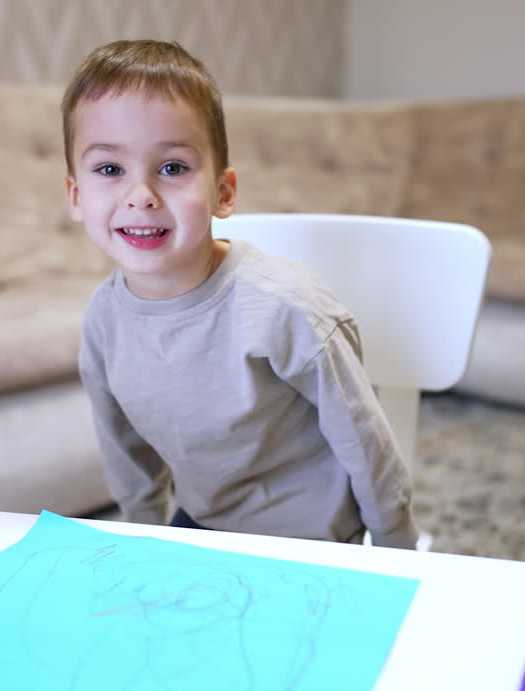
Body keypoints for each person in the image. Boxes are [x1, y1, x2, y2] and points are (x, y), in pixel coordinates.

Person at [63, 39, 418, 549]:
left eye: (172, 167)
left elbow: (364, 439)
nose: (140, 195)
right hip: (206, 524)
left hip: (310, 536)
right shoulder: (103, 321)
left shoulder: (286, 306)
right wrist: (141, 539)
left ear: (224, 192)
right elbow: (122, 447)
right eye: (110, 169)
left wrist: (396, 547)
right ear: (77, 196)